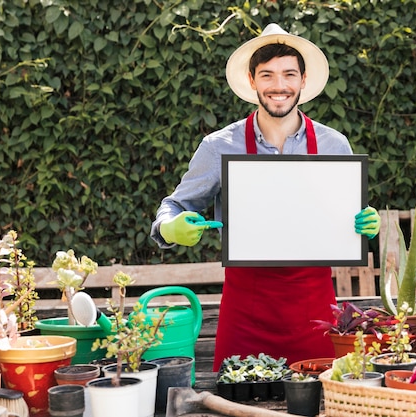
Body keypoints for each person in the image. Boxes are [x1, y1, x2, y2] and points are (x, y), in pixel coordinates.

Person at [150, 23, 381, 371]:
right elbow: (173, 207)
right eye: (267, 75)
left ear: (303, 80)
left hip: (315, 311)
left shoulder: (335, 145)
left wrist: (365, 223)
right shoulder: (218, 147)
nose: (279, 86)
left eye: (289, 74)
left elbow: (348, 214)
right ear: (252, 80)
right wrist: (171, 227)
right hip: (246, 311)